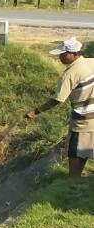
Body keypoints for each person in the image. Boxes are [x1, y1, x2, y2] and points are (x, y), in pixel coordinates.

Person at [24, 37, 93, 179]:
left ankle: (72, 183)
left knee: (75, 153)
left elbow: (57, 100)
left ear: (74, 53)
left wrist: (35, 112)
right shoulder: (91, 62)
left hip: (83, 121)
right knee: (87, 150)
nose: (60, 57)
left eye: (63, 54)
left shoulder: (69, 74)